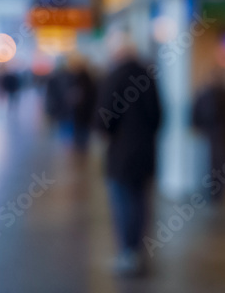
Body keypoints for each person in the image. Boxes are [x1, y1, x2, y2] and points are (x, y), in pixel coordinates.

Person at [92, 30, 162, 277]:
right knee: (140, 201)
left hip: (120, 154)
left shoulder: (113, 77)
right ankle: (136, 251)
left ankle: (126, 253)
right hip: (145, 152)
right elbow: (157, 116)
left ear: (117, 52)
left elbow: (103, 121)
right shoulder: (148, 76)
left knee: (122, 203)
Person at [191, 67, 225, 201]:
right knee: (209, 163)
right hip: (210, 133)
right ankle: (211, 191)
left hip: (218, 133)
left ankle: (216, 192)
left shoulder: (223, 94)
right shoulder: (206, 95)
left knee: (217, 164)